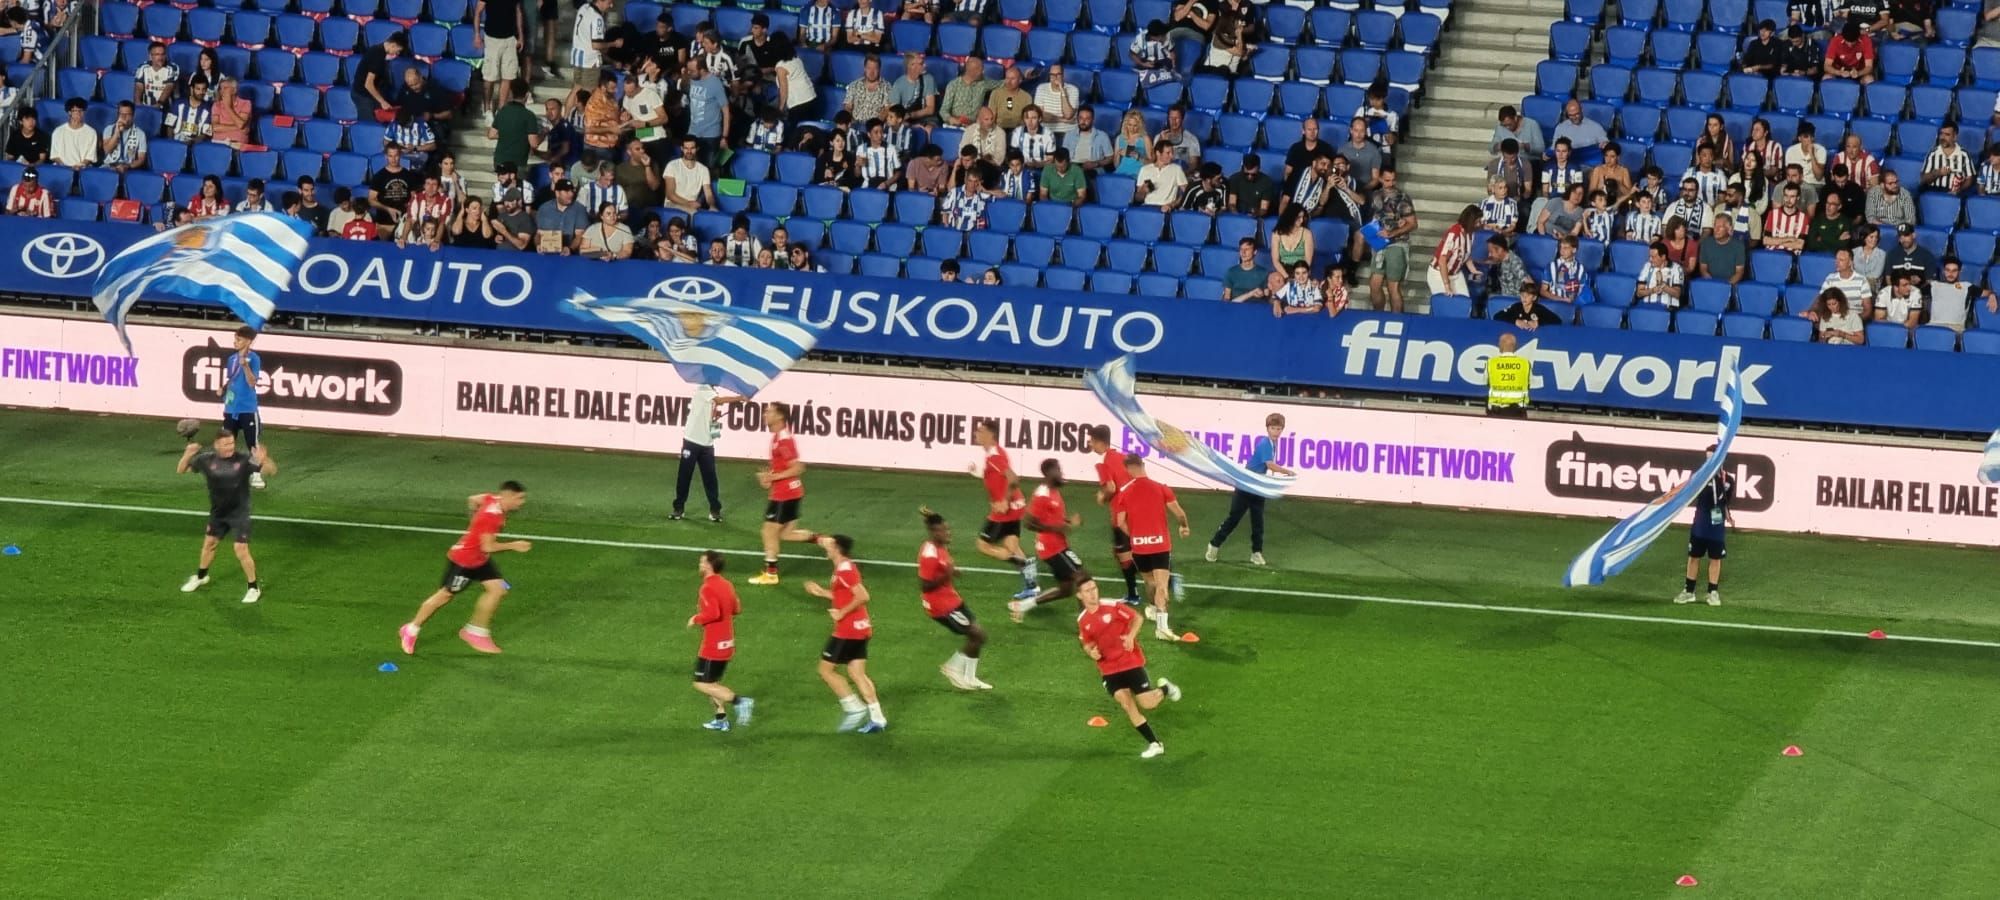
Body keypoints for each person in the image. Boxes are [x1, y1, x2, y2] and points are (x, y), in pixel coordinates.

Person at [398, 483, 531, 655]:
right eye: (519, 498)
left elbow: (473, 499)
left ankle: (475, 632)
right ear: (508, 496)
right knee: (445, 596)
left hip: (479, 559)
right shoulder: (492, 517)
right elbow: (488, 547)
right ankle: (411, 629)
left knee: (497, 590)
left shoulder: (493, 499)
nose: (522, 502)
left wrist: (474, 522)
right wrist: (514, 545)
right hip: (465, 562)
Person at [1077, 579, 1184, 759]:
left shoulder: (1112, 606)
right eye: (1087, 591)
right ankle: (1155, 744)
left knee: (1148, 703)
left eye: (1094, 588)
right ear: (1080, 595)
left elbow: (1137, 618)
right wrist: (1091, 652)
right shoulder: (1083, 620)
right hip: (1108, 668)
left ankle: (1166, 688)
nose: (1092, 593)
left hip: (1130, 662)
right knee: (1126, 703)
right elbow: (1086, 642)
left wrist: (1130, 637)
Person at [175, 428, 276, 605]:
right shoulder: (205, 460)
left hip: (239, 513)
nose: (230, 447)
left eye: (231, 443)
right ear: (217, 445)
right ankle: (201, 576)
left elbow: (272, 471)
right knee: (209, 544)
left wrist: (264, 459)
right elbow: (181, 470)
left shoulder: (243, 460)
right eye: (226, 444)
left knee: (240, 549)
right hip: (218, 513)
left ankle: (253, 587)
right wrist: (187, 453)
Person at [804, 535, 887, 733]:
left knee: (825, 670)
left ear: (837, 548)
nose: (826, 547)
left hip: (848, 630)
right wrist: (822, 593)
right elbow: (845, 595)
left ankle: (854, 707)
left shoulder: (844, 570)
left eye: (830, 545)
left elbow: (863, 596)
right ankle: (878, 719)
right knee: (857, 674)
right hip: (860, 628)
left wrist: (841, 612)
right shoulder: (845, 567)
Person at [1116, 455, 1191, 642]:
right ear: (1143, 465)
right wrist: (1184, 526)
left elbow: (1119, 522)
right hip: (1159, 545)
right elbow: (1179, 513)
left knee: (1150, 582)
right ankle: (1162, 628)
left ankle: (1151, 607)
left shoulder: (1125, 492)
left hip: (1139, 547)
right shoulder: (1161, 488)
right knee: (1162, 586)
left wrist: (1134, 535)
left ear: (1128, 470)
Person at [917, 507, 993, 689]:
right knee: (978, 635)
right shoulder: (929, 554)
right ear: (934, 532)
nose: (949, 533)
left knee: (977, 636)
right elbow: (925, 585)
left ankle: (970, 677)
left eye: (948, 529)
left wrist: (952, 572)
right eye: (944, 530)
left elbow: (943, 568)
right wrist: (947, 574)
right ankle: (952, 667)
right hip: (941, 606)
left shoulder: (940, 546)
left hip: (952, 600)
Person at [1204, 414, 1293, 565]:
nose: (1276, 432)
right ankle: (1214, 544)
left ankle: (1256, 552)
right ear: (1267, 428)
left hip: (1257, 485)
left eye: (1279, 429)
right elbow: (1270, 464)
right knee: (1234, 518)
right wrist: (1288, 472)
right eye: (1273, 428)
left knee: (1258, 521)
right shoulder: (1265, 443)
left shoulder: (1273, 443)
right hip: (1246, 485)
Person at [1011, 459, 1090, 620]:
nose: (1061, 473)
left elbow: (1052, 519)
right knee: (1082, 577)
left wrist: (1068, 522)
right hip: (1052, 547)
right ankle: (1086, 622)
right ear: (1049, 473)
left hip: (1057, 545)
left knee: (1066, 589)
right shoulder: (1042, 494)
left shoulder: (1054, 491)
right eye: (1058, 470)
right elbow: (1028, 522)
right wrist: (1056, 529)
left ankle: (1024, 605)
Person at [969, 420, 1039, 601]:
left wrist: (1004, 501)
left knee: (982, 545)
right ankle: (1032, 586)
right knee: (1012, 546)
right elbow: (997, 477)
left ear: (991, 435)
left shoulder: (995, 456)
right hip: (1016, 507)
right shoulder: (994, 453)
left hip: (1005, 510)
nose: (976, 433)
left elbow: (1013, 478)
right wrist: (978, 472)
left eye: (981, 431)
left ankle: (1022, 563)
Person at [750, 402, 818, 584]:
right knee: (786, 534)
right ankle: (823, 540)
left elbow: (798, 467)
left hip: (785, 494)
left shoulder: (783, 439)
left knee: (768, 531)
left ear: (780, 416)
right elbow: (783, 467)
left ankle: (770, 573)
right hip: (792, 492)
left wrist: (773, 478)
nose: (765, 414)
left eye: (769, 412)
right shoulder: (777, 437)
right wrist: (769, 476)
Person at [686, 550, 754, 731]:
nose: (699, 565)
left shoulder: (707, 587)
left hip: (713, 646)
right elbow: (737, 608)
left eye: (702, 562)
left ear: (709, 565)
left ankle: (740, 702)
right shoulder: (726, 584)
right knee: (712, 683)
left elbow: (713, 613)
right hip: (727, 643)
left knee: (701, 683)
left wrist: (696, 619)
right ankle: (721, 719)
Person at [671, 385, 746, 523]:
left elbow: (712, 414)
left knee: (710, 478)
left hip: (707, 443)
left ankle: (714, 509)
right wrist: (740, 398)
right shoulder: (704, 389)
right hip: (692, 440)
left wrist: (714, 419)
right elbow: (719, 400)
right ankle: (679, 508)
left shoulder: (711, 393)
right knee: (684, 476)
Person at [1086, 425, 1143, 605]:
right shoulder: (1121, 456)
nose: (1089, 445)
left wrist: (1103, 496)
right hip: (1136, 510)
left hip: (1120, 514)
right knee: (1123, 552)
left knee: (1125, 556)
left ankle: (1137, 593)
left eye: (1091, 441)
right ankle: (1150, 580)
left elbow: (1110, 488)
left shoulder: (1102, 463)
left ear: (1099, 442)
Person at [1672, 451, 1735, 607]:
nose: (1708, 461)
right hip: (1700, 521)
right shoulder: (1700, 477)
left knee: (1716, 558)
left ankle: (1712, 592)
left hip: (1717, 521)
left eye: (1711, 458)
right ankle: (1689, 591)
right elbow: (1686, 490)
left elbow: (1726, 500)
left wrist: (1728, 514)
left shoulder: (1728, 480)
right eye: (1707, 458)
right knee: (1694, 556)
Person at [215, 326, 269, 490]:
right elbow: (232, 379)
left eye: (238, 339)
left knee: (252, 443)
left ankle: (256, 474)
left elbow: (252, 383)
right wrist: (223, 390)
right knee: (226, 442)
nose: (235, 342)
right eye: (235, 338)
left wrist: (245, 365)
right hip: (231, 408)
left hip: (247, 408)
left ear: (248, 341)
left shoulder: (255, 358)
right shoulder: (231, 359)